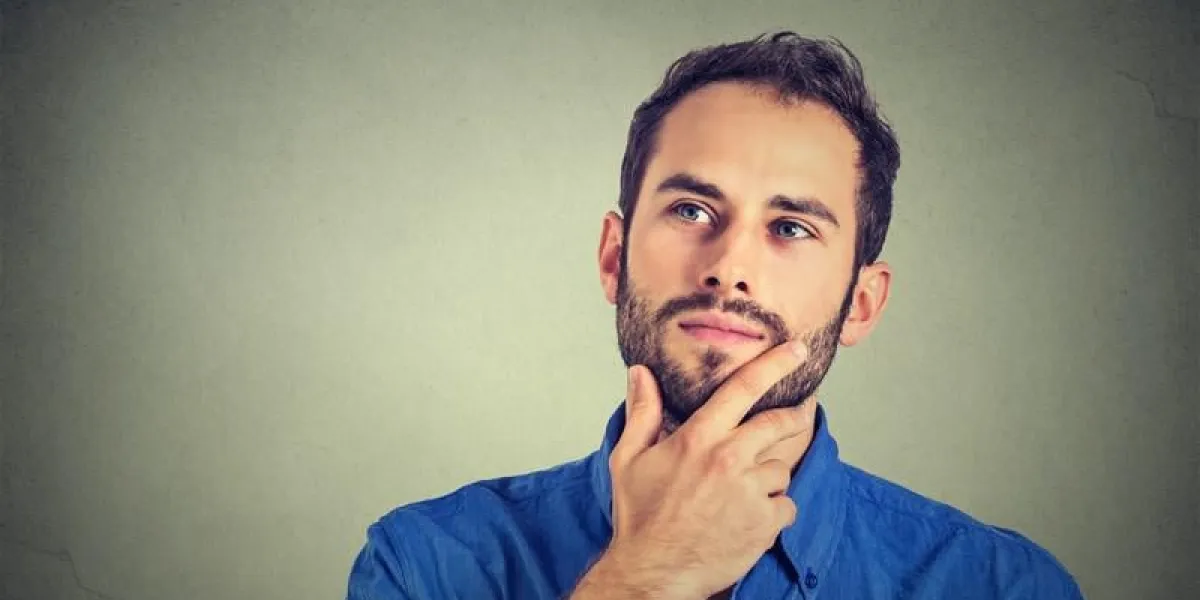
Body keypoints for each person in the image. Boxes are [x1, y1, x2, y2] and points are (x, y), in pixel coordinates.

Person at [346, 32, 1084, 599]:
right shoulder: (424, 565)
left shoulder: (1002, 586)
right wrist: (644, 576)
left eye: (791, 227)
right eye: (692, 209)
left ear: (861, 304)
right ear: (614, 256)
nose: (729, 264)